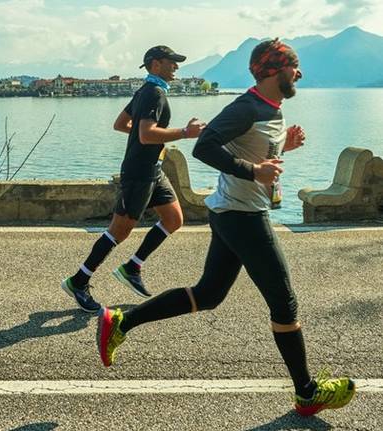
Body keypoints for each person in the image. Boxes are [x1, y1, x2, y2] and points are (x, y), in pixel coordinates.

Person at [96, 38, 355, 416]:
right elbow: (207, 147)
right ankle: (307, 392)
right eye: (293, 66)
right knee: (284, 303)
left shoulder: (271, 107)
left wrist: (285, 150)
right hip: (242, 216)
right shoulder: (246, 106)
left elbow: (256, 153)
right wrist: (254, 171)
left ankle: (121, 321)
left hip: (235, 211)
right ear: (272, 71)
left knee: (210, 293)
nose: (299, 73)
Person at [61, 46, 206, 313]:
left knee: (174, 219)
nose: (176, 66)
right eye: (171, 62)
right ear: (155, 64)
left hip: (153, 169)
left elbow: (121, 124)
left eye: (176, 62)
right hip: (139, 173)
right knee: (120, 231)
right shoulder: (153, 93)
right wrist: (185, 132)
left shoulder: (146, 90)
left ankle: (132, 266)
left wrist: (145, 141)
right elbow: (146, 133)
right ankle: (78, 281)